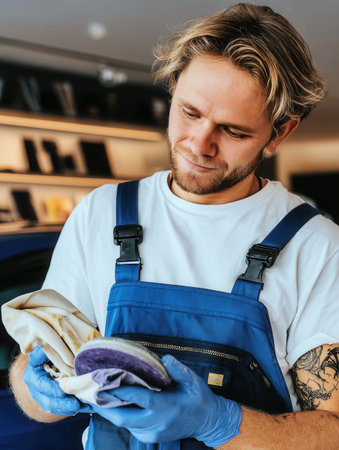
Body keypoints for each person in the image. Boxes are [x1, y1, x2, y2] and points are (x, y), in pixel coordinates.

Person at [8, 3, 339, 449]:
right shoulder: (101, 213)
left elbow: (333, 429)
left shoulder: (317, 246)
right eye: (189, 112)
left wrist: (220, 421)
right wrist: (39, 389)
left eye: (233, 131)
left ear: (279, 133)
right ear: (173, 88)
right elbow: (39, 390)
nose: (199, 144)